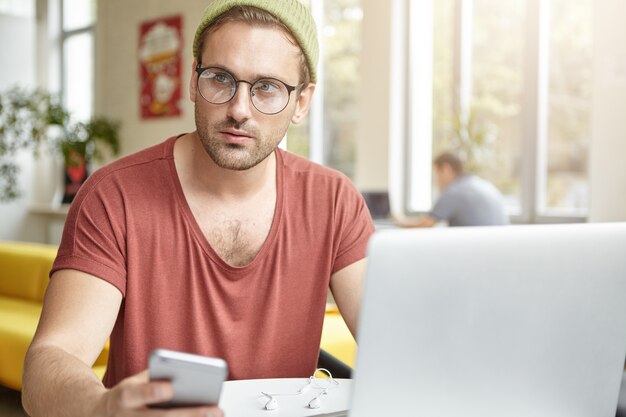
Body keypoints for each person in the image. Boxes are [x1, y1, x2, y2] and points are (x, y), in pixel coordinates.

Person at [21, 1, 375, 416]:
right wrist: (101, 408)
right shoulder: (113, 196)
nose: (239, 109)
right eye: (220, 78)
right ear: (193, 80)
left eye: (266, 87)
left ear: (301, 102)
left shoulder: (334, 201)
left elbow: (396, 343)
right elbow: (49, 361)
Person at [402, 152, 508, 227]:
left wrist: (400, 221)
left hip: (473, 250)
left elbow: (426, 224)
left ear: (446, 169)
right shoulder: (483, 184)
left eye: (437, 173)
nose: (436, 179)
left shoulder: (454, 192)